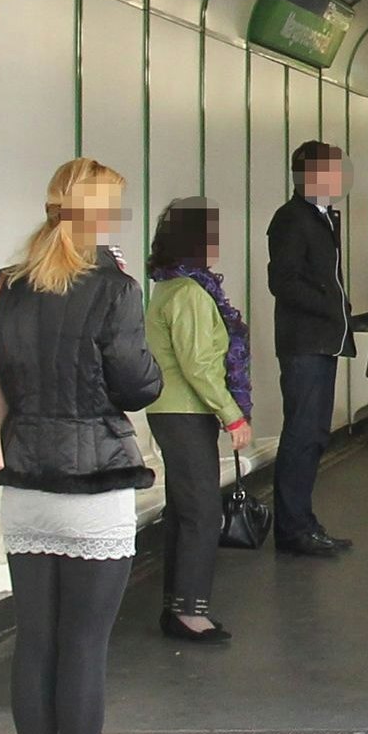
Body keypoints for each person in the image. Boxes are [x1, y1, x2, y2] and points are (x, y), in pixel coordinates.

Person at [0, 157, 162, 734]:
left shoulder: (3, 287)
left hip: (23, 486)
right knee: (84, 644)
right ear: (103, 217)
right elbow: (138, 385)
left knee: (37, 640)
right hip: (94, 487)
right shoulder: (114, 289)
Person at [141, 199, 252, 644]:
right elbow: (199, 365)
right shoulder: (188, 294)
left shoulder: (169, 288)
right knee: (203, 512)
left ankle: (178, 605)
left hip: (173, 411)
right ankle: (191, 612)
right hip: (186, 411)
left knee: (185, 510)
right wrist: (232, 416)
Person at [265, 140, 367, 555]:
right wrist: (329, 305)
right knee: (302, 434)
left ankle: (302, 519)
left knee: (314, 434)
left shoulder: (323, 218)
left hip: (322, 341)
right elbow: (283, 280)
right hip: (305, 343)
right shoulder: (292, 219)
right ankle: (292, 528)